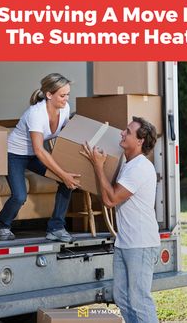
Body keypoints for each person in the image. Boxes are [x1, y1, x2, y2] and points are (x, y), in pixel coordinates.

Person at [81, 116, 160, 323]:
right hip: (125, 242)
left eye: (128, 131)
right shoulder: (128, 164)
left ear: (140, 141)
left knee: (139, 301)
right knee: (123, 299)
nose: (122, 133)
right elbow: (108, 200)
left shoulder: (140, 167)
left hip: (141, 244)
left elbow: (112, 198)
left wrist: (98, 166)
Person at [0, 73, 81, 242]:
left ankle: (56, 227)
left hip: (34, 155)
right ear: (49, 95)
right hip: (15, 155)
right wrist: (62, 173)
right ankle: (2, 225)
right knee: (19, 196)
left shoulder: (65, 109)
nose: (66, 99)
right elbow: (40, 150)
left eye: (68, 94)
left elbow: (69, 136)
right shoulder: (36, 114)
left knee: (67, 182)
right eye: (62, 95)